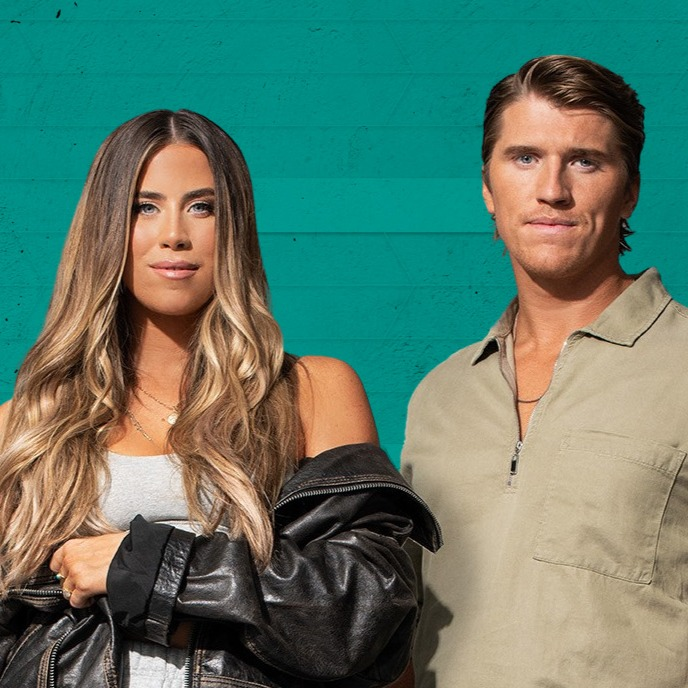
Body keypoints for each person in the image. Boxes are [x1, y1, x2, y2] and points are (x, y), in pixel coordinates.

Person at [0, 109, 441, 688]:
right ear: (105, 228)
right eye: (144, 207)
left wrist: (149, 569)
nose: (174, 234)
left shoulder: (309, 391)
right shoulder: (26, 427)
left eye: (202, 207)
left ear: (235, 228)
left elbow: (362, 612)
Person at [401, 55, 688, 687]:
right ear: (488, 187)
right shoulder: (439, 396)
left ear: (631, 190)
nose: (552, 189)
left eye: (585, 161)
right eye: (525, 157)